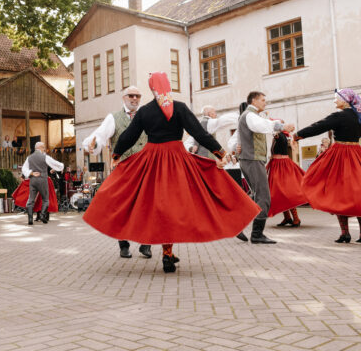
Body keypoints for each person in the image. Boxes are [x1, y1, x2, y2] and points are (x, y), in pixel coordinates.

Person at [83, 72, 260, 273]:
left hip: (150, 161)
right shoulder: (180, 107)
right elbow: (199, 133)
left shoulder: (145, 111)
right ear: (168, 87)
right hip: (177, 160)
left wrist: (116, 155)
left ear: (152, 89)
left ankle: (162, 249)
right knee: (175, 206)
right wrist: (219, 152)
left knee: (155, 206)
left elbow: (129, 136)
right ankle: (167, 253)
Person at [292, 89, 361, 243]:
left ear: (345, 100)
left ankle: (346, 232)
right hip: (357, 155)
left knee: (337, 193)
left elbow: (319, 126)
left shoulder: (339, 116)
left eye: (337, 98)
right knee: (356, 193)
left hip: (340, 155)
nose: (335, 101)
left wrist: (298, 135)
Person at [82, 86, 152, 259]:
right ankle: (124, 245)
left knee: (147, 206)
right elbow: (100, 136)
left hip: (145, 168)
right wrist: (93, 145)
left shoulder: (147, 116)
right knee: (123, 208)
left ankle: (145, 244)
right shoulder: (113, 118)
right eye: (131, 95)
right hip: (124, 169)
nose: (134, 98)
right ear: (124, 98)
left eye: (137, 96)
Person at [236, 91, 295, 244]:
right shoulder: (250, 115)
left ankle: (235, 221)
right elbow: (262, 125)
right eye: (263, 100)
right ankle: (256, 234)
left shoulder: (252, 115)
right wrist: (282, 126)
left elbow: (261, 126)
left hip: (252, 159)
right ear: (254, 101)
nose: (265, 102)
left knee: (256, 195)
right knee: (263, 196)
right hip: (252, 159)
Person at [267, 131, 307, 227]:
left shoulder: (280, 135)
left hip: (281, 165)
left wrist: (276, 133)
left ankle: (296, 218)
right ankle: (287, 217)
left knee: (286, 192)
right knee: (279, 193)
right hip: (277, 164)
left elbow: (278, 136)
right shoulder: (280, 136)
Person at [20, 142, 64, 225]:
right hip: (42, 180)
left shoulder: (29, 157)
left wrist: (31, 173)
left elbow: (24, 168)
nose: (44, 149)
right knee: (45, 199)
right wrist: (61, 166)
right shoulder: (45, 157)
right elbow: (55, 163)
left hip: (33, 180)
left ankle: (30, 219)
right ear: (40, 147)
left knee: (31, 200)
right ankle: (42, 215)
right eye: (43, 147)